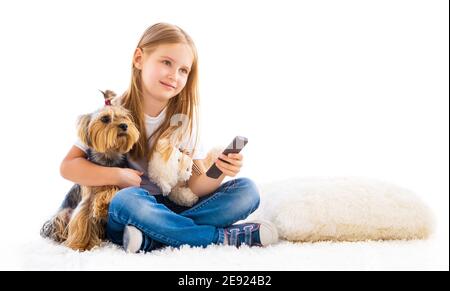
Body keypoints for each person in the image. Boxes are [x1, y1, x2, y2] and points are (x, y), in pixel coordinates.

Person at [60, 22, 278, 253]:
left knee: (247, 191)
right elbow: (68, 166)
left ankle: (152, 238)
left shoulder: (185, 122)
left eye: (184, 70)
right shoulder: (113, 113)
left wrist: (220, 170)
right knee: (126, 200)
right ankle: (219, 238)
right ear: (139, 59)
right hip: (133, 207)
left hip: (173, 208)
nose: (174, 75)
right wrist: (117, 175)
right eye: (166, 62)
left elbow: (195, 184)